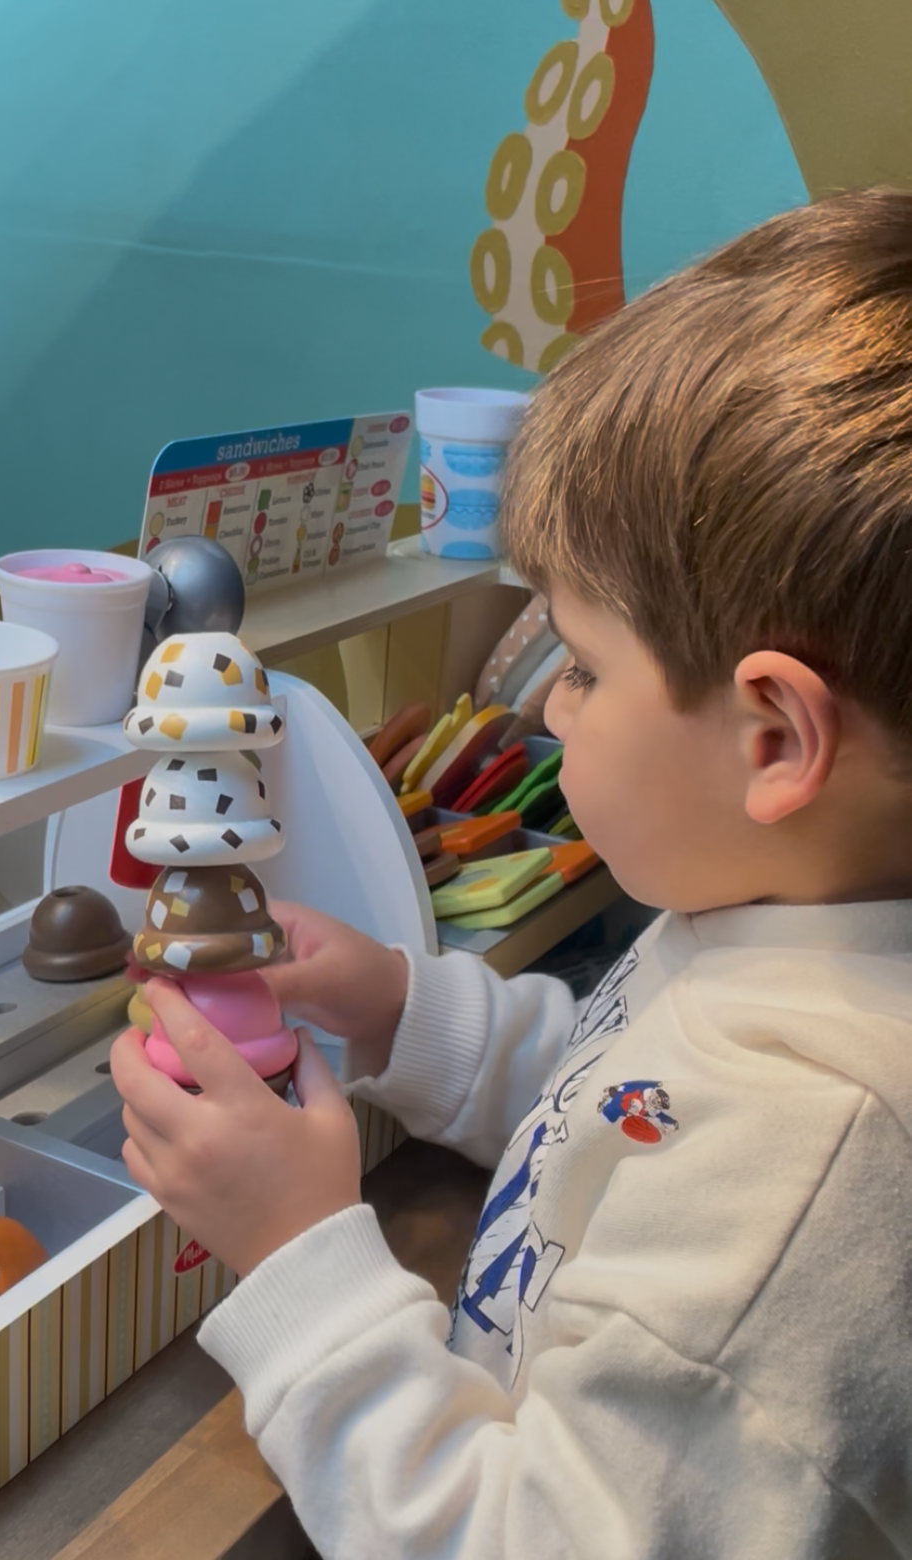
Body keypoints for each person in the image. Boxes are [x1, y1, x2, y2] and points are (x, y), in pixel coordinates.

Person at [110, 188, 912, 1558]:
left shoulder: (815, 1153)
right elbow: (632, 1109)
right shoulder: (781, 928)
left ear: (772, 736)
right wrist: (401, 1012)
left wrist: (299, 1255)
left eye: (584, 669)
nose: (546, 712)